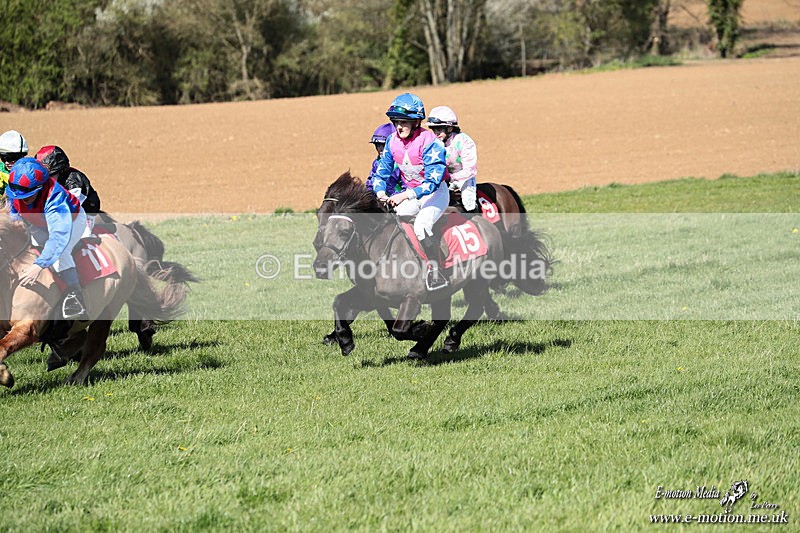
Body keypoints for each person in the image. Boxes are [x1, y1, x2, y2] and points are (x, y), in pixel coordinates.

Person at [372, 93, 450, 290]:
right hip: (411, 194)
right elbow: (381, 174)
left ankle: (436, 272)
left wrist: (404, 195)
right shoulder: (391, 141)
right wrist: (381, 192)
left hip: (435, 194)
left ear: (416, 122)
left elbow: (432, 182)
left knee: (422, 225)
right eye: (396, 121)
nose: (399, 126)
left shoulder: (431, 141)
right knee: (391, 220)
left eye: (405, 122)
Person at [6, 157, 90, 321]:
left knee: (61, 253)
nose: (22, 199)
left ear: (39, 187)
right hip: (39, 221)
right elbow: (13, 215)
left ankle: (75, 297)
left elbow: (58, 238)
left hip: (71, 220)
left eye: (28, 195)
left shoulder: (55, 199)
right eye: (18, 195)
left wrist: (38, 266)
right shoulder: (16, 190)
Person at [35, 145, 101, 229]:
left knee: (82, 235)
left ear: (60, 171)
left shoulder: (73, 181)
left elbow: (71, 209)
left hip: (84, 212)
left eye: (49, 176)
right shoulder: (48, 182)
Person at [426, 106, 478, 212]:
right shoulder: (431, 143)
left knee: (469, 202)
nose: (436, 133)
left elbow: (471, 169)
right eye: (434, 129)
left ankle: (476, 222)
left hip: (463, 179)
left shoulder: (464, 141)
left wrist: (452, 178)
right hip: (441, 179)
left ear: (449, 128)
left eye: (439, 129)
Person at [365, 123, 403, 195]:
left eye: (384, 145)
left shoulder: (404, 163)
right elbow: (370, 183)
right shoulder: (377, 163)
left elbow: (408, 187)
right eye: (377, 145)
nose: (380, 149)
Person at [0, 130, 29, 197]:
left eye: (10, 158)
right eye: (3, 158)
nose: (7, 162)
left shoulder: (31, 170)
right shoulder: (1, 170)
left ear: (21, 155)